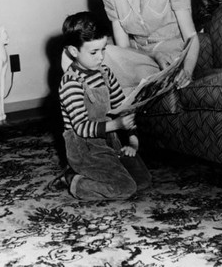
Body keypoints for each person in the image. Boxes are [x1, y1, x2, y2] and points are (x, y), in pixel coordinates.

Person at [54, 11, 151, 201]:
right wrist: (116, 125)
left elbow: (122, 107)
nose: (100, 57)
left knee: (143, 181)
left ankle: (102, 170)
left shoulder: (105, 72)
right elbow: (81, 127)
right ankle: (74, 180)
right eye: (93, 52)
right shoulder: (70, 83)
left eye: (103, 49)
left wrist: (132, 140)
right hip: (85, 148)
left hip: (109, 141)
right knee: (125, 187)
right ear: (74, 51)